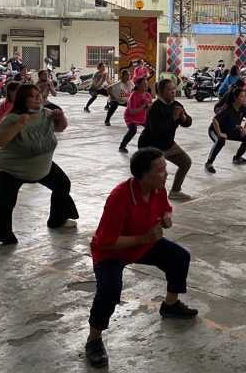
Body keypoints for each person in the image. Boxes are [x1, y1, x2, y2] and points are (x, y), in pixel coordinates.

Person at [85, 148, 198, 368]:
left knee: (179, 257)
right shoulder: (120, 197)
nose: (166, 174)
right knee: (108, 291)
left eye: (165, 168)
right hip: (111, 252)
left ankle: (170, 305)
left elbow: (166, 208)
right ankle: (94, 339)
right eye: (161, 170)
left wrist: (166, 216)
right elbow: (107, 241)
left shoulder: (158, 188)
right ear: (143, 175)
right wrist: (145, 237)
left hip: (143, 244)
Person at [0, 85, 78, 250]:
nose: (38, 99)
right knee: (6, 202)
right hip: (11, 168)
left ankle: (57, 220)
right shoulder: (12, 118)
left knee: (62, 184)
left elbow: (60, 128)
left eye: (39, 95)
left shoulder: (46, 114)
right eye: (33, 96)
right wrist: (18, 125)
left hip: (41, 165)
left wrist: (60, 116)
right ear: (23, 100)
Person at [137, 78, 193, 201]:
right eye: (169, 90)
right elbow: (158, 131)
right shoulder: (155, 108)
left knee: (186, 162)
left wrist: (183, 118)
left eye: (174, 89)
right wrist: (173, 118)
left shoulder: (176, 105)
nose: (173, 92)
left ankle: (175, 191)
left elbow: (188, 122)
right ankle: (144, 197)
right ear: (160, 92)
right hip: (151, 146)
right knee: (153, 174)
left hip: (168, 144)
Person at [205, 88, 246, 173]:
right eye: (241, 96)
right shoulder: (228, 108)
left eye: (244, 96)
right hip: (215, 130)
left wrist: (244, 129)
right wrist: (220, 133)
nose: (244, 98)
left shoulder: (243, 108)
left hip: (230, 131)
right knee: (220, 141)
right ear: (235, 98)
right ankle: (209, 163)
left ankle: (237, 158)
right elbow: (215, 120)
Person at [119, 77, 152, 153]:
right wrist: (144, 105)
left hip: (142, 116)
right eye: (144, 84)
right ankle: (122, 146)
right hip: (130, 117)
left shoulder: (148, 95)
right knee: (133, 130)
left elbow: (149, 109)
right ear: (137, 85)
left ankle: (146, 145)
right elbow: (132, 111)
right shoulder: (133, 95)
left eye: (146, 84)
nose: (146, 86)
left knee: (151, 128)